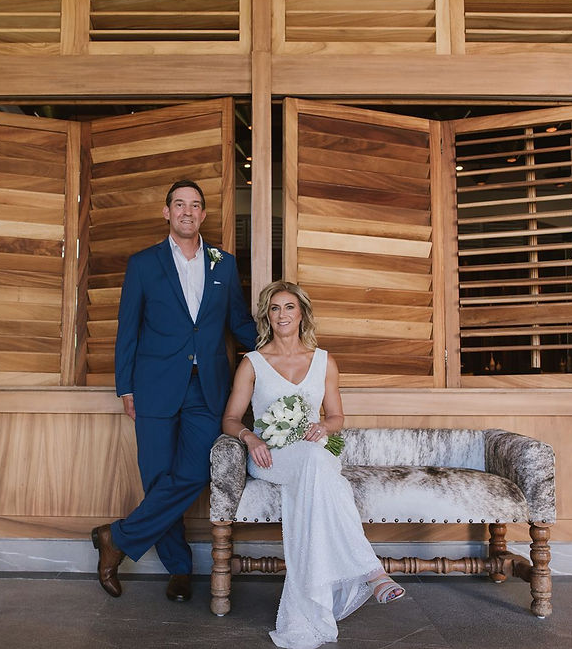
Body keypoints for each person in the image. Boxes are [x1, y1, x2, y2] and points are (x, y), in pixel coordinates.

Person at [91, 180, 257, 603]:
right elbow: (128, 329)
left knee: (197, 471)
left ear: (203, 215)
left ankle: (117, 538)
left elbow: (238, 324)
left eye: (195, 205)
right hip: (153, 388)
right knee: (158, 479)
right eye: (179, 204)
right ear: (166, 213)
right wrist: (125, 386)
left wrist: (282, 348)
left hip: (208, 388)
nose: (187, 211)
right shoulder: (143, 264)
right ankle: (179, 568)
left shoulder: (223, 264)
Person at [221, 280, 404, 649]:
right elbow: (230, 418)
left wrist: (323, 425)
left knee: (320, 465)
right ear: (266, 317)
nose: (282, 315)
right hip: (270, 458)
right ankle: (372, 571)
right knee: (320, 467)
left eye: (289, 307)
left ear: (301, 312)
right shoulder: (252, 363)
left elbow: (337, 417)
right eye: (275, 308)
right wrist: (251, 438)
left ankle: (316, 606)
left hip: (315, 452)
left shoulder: (324, 361)